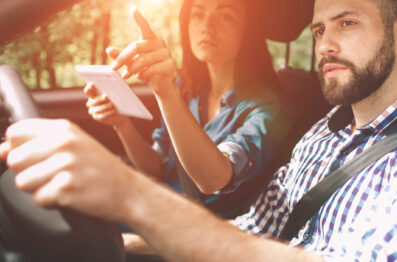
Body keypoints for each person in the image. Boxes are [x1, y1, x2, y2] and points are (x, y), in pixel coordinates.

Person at [0, 0, 397, 260]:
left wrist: (134, 200)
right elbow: (254, 229)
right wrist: (123, 240)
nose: (324, 44)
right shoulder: (325, 134)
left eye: (346, 23)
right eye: (320, 30)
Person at [83, 0, 291, 218]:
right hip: (156, 209)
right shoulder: (185, 89)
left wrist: (166, 94)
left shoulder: (271, 110)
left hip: (195, 235)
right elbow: (156, 169)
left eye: (225, 16)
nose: (206, 27)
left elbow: (214, 179)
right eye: (197, 15)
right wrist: (122, 124)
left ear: (248, 31)